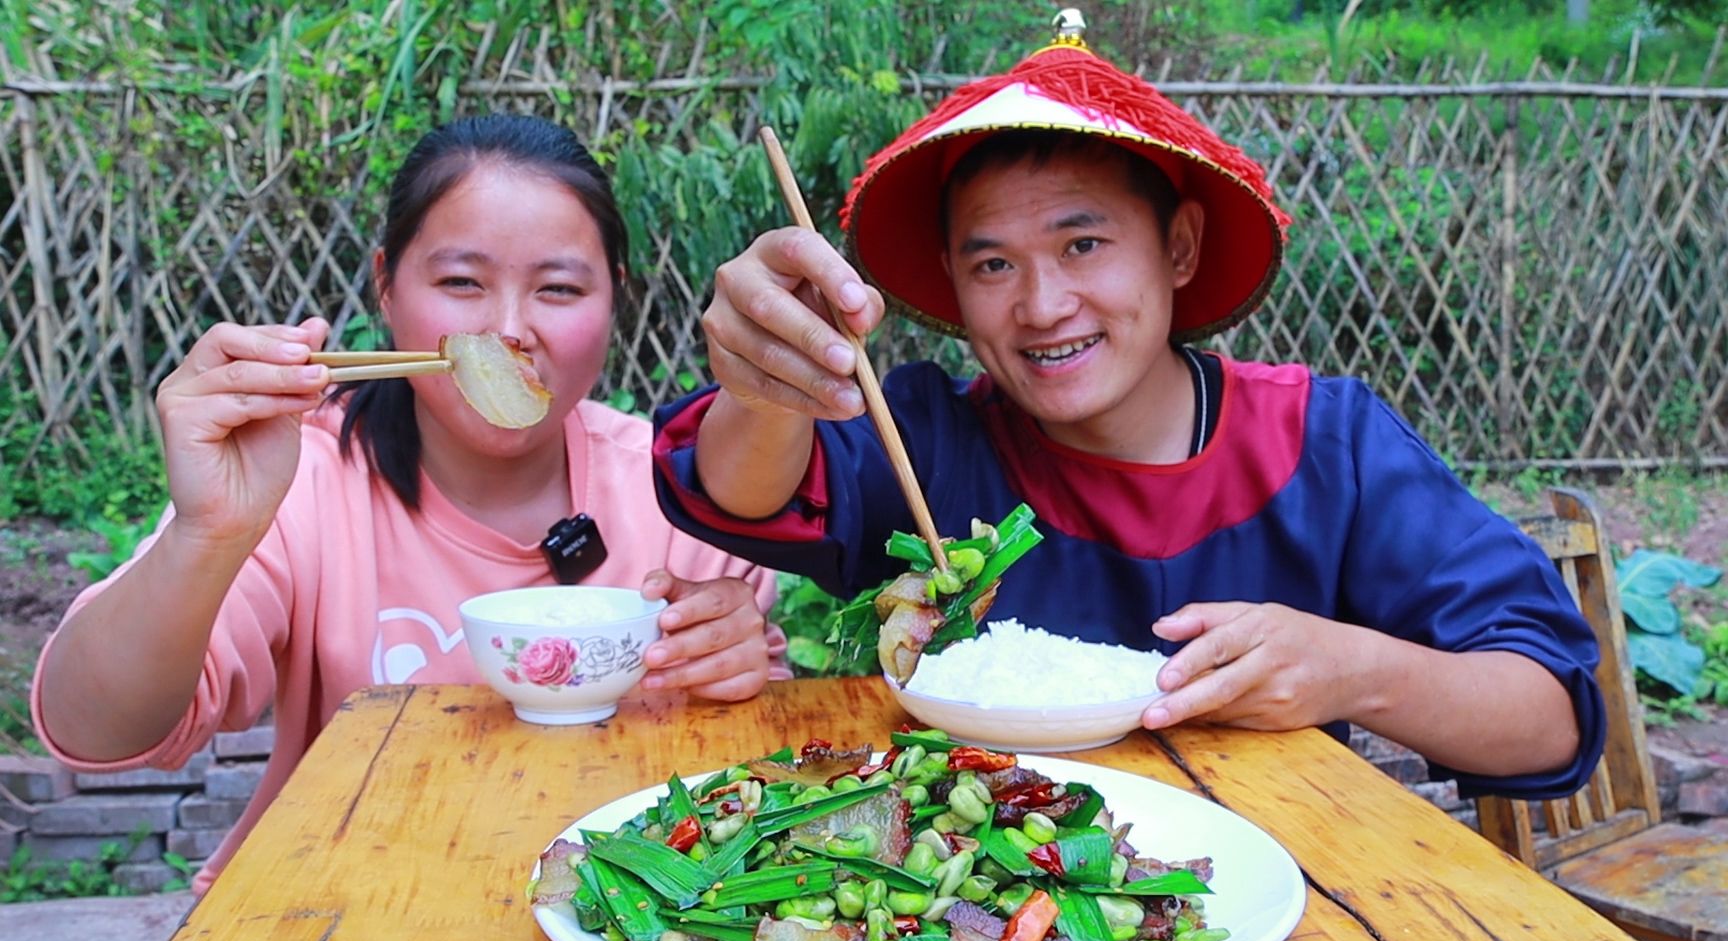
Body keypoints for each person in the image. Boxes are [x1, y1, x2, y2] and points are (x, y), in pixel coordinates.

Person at [652, 20, 1605, 799]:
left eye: (1083, 245)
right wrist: (765, 386)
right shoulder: (929, 437)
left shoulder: (1326, 445)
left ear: (1180, 248)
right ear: (951, 277)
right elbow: (743, 493)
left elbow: (1550, 716)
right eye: (992, 263)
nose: (1041, 304)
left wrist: (1355, 669)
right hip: (963, 918)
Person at [33, 114, 784, 895]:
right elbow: (94, 732)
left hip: (622, 930)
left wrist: (739, 663)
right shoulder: (302, 477)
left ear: (613, 299)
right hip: (335, 917)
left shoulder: (687, 495)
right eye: (461, 282)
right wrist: (207, 534)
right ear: (386, 284)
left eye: (559, 289)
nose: (507, 331)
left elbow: (755, 772)